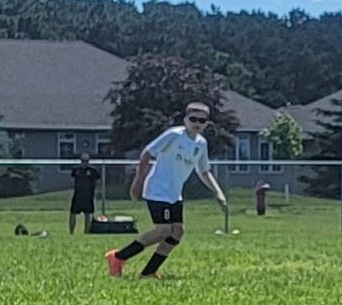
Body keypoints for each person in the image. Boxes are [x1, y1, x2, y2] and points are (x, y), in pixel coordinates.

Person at [105, 102, 228, 280]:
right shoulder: (174, 135)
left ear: (206, 123)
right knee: (163, 230)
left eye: (201, 120)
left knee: (177, 232)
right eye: (193, 119)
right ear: (185, 120)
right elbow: (147, 153)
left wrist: (218, 193)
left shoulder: (201, 144)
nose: (197, 123)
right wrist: (137, 182)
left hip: (174, 194)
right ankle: (118, 257)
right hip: (157, 190)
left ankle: (148, 272)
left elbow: (204, 170)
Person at [67, 155, 101, 234]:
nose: (84, 163)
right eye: (83, 161)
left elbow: (97, 180)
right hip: (78, 196)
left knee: (88, 214)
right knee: (73, 214)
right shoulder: (76, 170)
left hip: (88, 196)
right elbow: (72, 180)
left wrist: (92, 188)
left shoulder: (93, 170)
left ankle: (86, 232)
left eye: (86, 161)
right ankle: (71, 232)